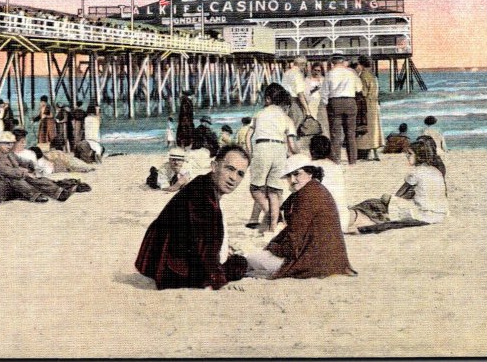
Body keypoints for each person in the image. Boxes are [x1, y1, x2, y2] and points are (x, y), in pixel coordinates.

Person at [135, 146, 251, 290]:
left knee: (237, 260)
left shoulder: (202, 184)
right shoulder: (203, 198)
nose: (233, 178)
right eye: (229, 169)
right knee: (239, 264)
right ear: (214, 166)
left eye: (240, 174)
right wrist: (219, 281)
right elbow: (205, 245)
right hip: (171, 271)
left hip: (159, 260)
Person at [244, 154, 356, 279]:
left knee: (250, 258)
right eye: (289, 176)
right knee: (258, 256)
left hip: (315, 262)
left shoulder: (306, 196)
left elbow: (293, 243)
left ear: (310, 173)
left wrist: (273, 247)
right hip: (331, 261)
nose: (292, 180)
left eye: (297, 174)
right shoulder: (314, 189)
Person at [348, 140, 449, 233]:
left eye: (410, 154)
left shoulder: (416, 172)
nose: (407, 156)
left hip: (423, 213)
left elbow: (399, 194)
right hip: (440, 214)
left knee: (382, 199)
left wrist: (389, 201)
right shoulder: (435, 171)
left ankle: (353, 210)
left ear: (419, 156)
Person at [245, 83, 298, 233]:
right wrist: (299, 156)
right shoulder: (286, 118)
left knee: (255, 188)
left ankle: (268, 211)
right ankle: (273, 227)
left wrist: (250, 153)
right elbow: (292, 146)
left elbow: (248, 136)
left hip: (262, 148)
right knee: (275, 191)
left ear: (269, 99)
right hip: (280, 149)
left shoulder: (260, 113)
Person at [0, 131, 73, 203]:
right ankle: (35, 195)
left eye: (11, 143)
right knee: (16, 178)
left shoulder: (9, 153)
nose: (10, 146)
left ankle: (59, 193)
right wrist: (24, 172)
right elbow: (6, 171)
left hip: (10, 188)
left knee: (33, 178)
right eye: (7, 143)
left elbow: (20, 160)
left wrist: (31, 164)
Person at [320, 55, 362, 165]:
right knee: (351, 133)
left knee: (335, 134)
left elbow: (324, 93)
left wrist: (325, 104)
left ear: (333, 62)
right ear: (343, 61)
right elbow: (359, 88)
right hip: (350, 101)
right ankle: (352, 160)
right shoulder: (351, 72)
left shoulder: (330, 74)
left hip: (335, 102)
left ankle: (336, 160)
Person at [308, 135, 347, 225]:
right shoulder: (337, 167)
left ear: (311, 150)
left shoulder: (308, 167)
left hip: (320, 221)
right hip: (342, 219)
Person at [356, 56, 384, 161]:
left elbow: (363, 92)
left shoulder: (363, 76)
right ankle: (376, 153)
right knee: (375, 129)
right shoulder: (373, 76)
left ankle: (367, 153)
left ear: (361, 64)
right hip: (375, 105)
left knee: (367, 129)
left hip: (366, 105)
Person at [282, 56, 310, 127]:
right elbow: (300, 93)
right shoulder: (297, 74)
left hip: (285, 102)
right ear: (302, 64)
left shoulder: (287, 73)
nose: (305, 68)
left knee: (288, 125)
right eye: (305, 65)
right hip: (295, 102)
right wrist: (307, 110)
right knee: (297, 124)